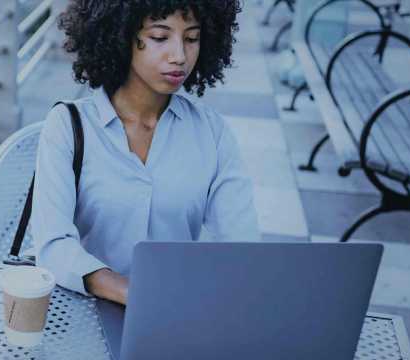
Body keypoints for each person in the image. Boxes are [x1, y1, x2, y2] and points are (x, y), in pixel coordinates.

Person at [30, 0, 260, 306]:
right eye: (160, 37)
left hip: (176, 314)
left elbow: (240, 246)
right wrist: (129, 292)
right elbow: (53, 244)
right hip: (83, 313)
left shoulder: (212, 132)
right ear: (121, 35)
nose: (179, 56)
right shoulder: (68, 126)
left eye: (191, 38)